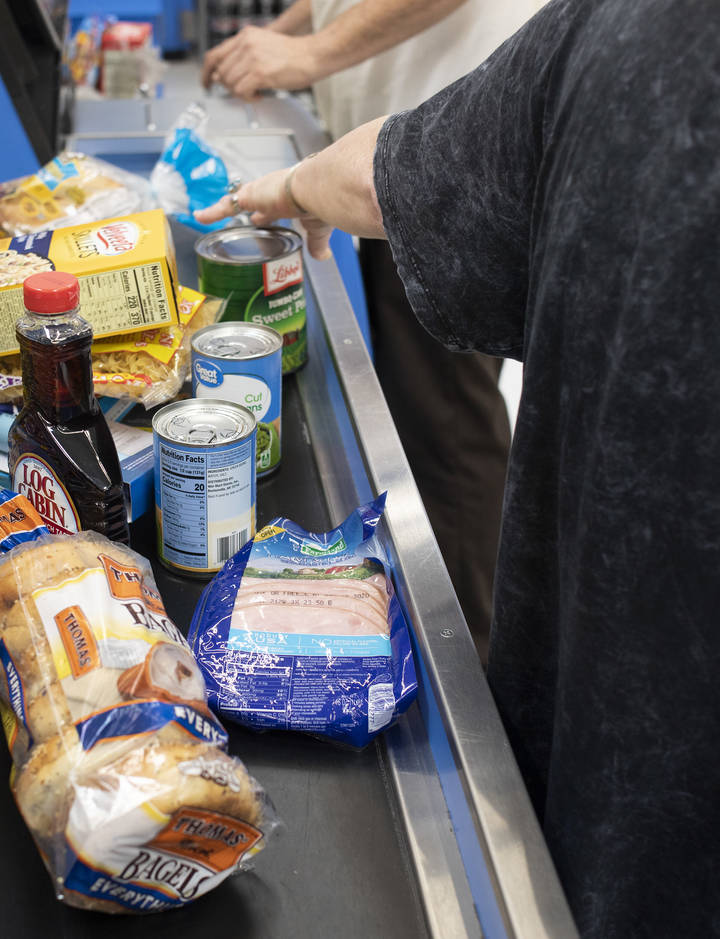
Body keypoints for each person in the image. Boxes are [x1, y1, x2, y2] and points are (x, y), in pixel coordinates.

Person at [197, 0, 720, 934]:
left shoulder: (625, 28)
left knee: (455, 430)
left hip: (622, 775)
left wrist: (299, 158)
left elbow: (386, 176)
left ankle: (468, 660)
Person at [202, 0, 541, 665]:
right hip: (395, 152)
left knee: (444, 422)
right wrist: (291, 29)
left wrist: (307, 56)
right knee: (422, 411)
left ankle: (476, 664)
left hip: (441, 152)